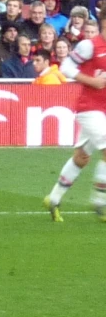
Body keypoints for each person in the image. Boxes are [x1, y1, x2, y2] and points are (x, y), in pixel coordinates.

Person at [43, 27, 106, 219]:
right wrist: (92, 81)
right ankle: (100, 202)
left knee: (81, 157)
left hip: (103, 109)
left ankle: (53, 199)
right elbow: (66, 67)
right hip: (90, 108)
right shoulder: (90, 45)